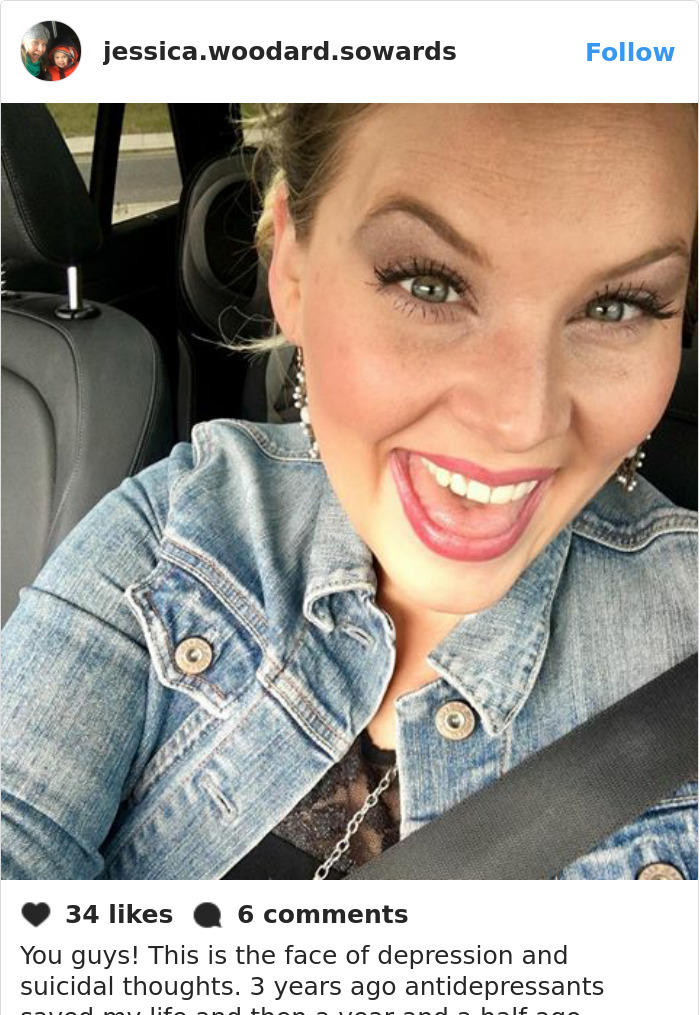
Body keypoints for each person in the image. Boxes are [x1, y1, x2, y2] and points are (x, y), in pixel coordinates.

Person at [2, 104, 697, 880]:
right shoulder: (170, 538)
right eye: (429, 283)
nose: (521, 421)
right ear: (292, 268)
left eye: (617, 307)